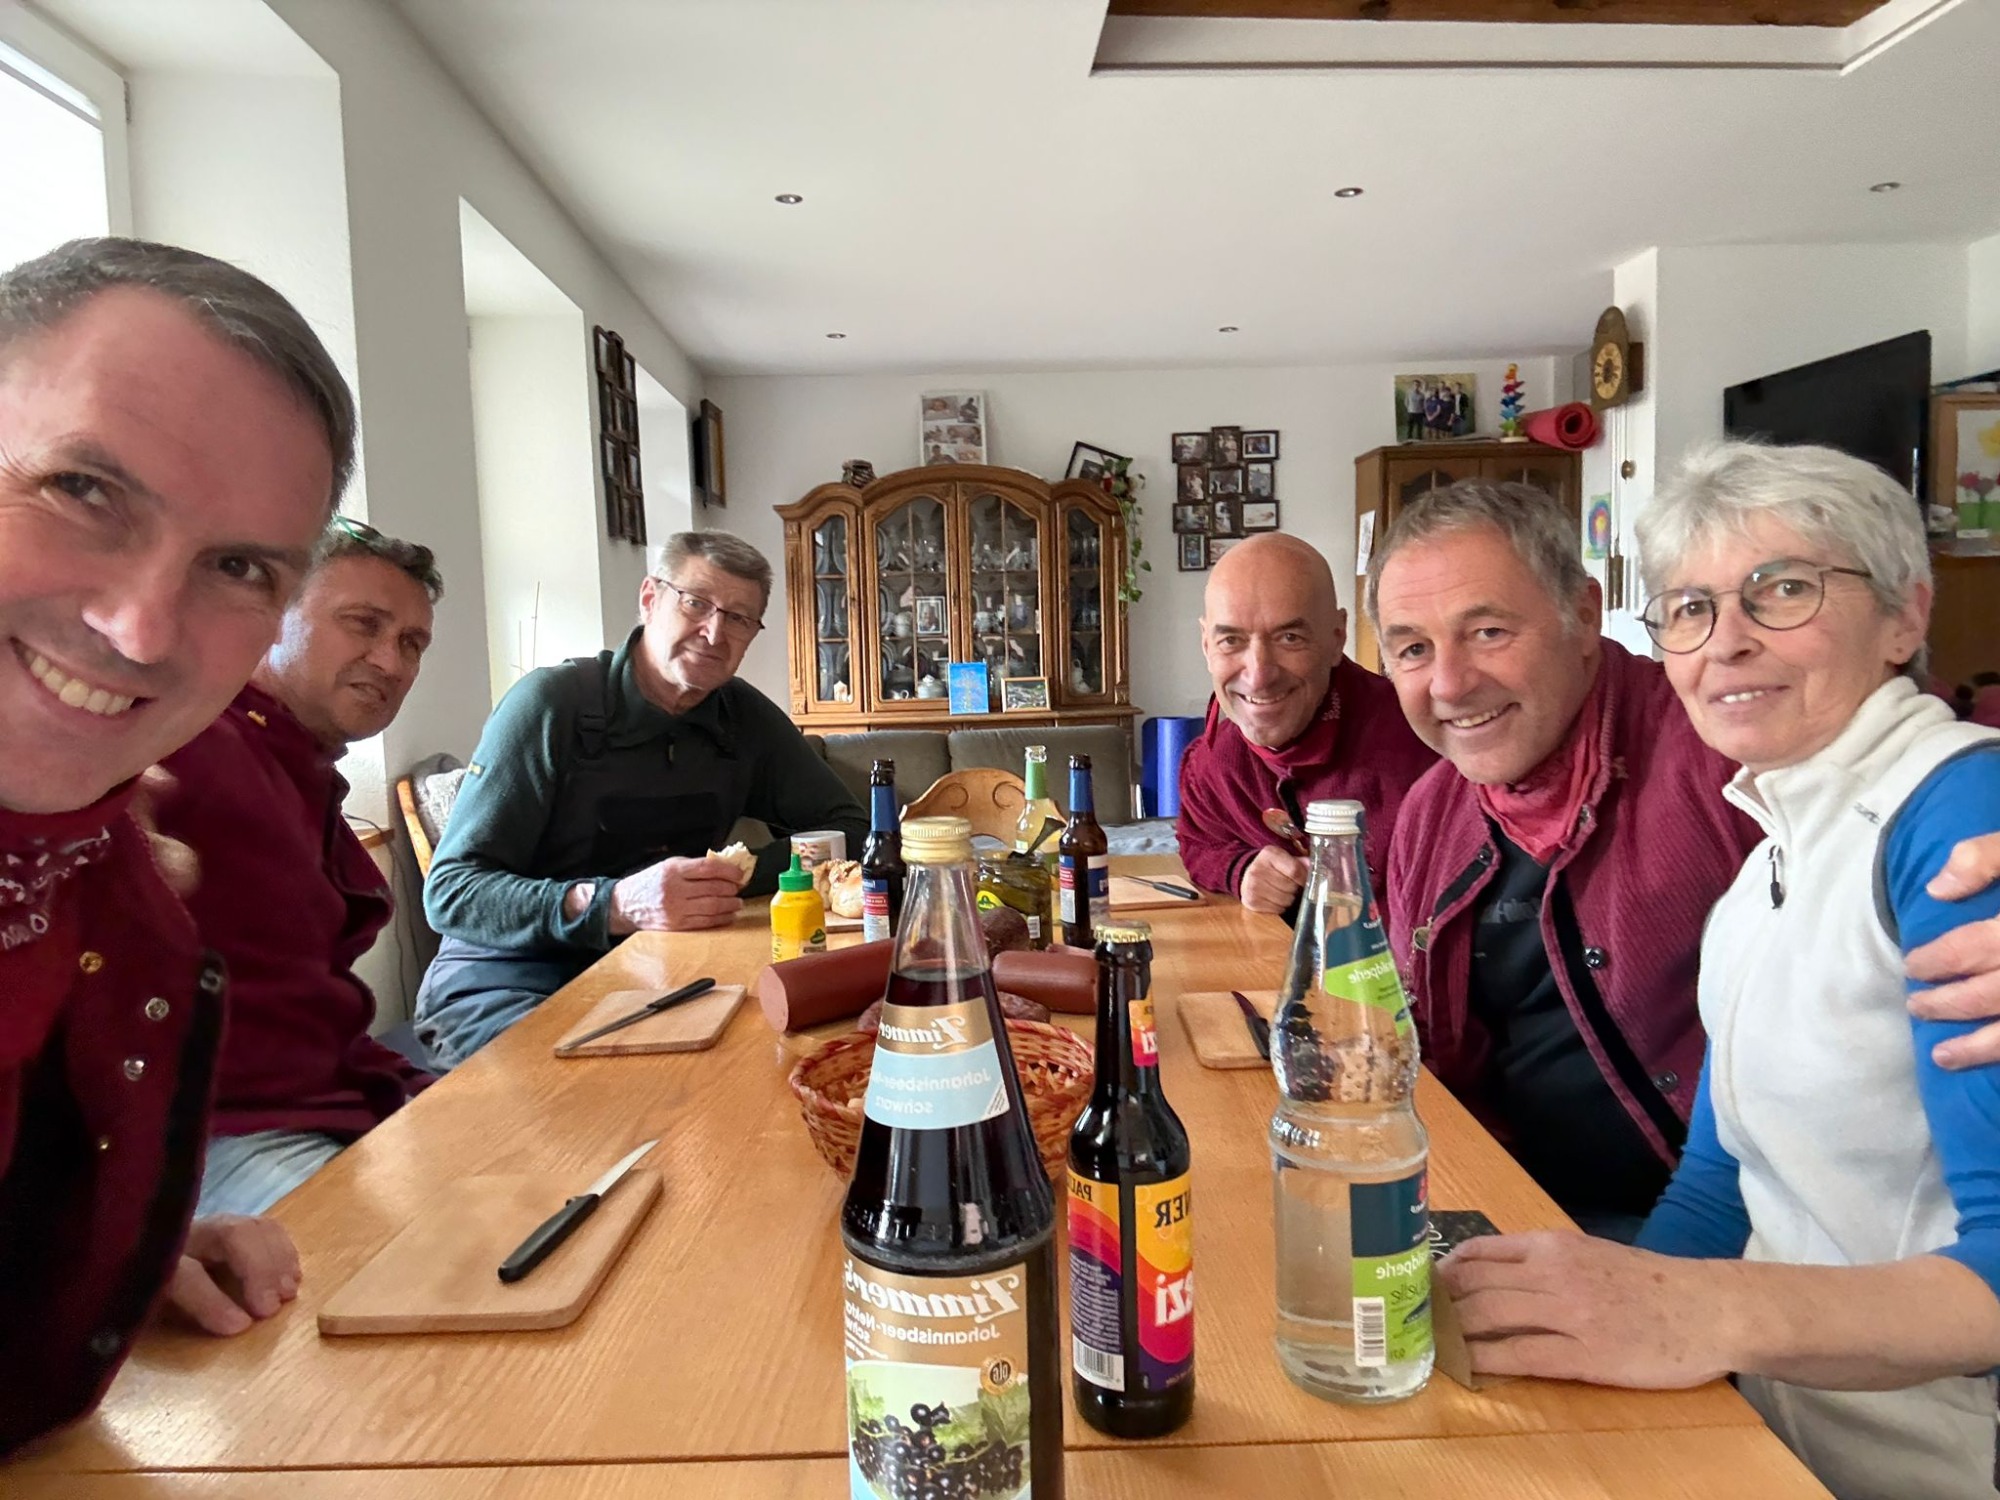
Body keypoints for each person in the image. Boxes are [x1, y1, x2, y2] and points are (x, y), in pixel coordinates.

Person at [1438, 442, 2000, 1500]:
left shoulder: (1956, 824)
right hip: (1775, 1425)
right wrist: (1616, 1311)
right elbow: (1720, 1179)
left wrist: (1701, 1313)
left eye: (1783, 590)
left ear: (1904, 616)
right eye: (1690, 608)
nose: (1726, 641)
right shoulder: (1763, 867)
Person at [0, 237, 350, 1454]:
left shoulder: (103, 877)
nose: (140, 629)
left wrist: (90, 1247)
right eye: (83, 489)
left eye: (237, 566)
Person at [1369, 480, 1760, 1240]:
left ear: (1583, 615)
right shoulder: (1431, 813)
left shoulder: (1716, 747)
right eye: (1413, 648)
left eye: (1487, 632)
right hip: (1512, 1210)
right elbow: (1412, 1043)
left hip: (1725, 1235)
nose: (1449, 684)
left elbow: (1911, 756)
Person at [415, 531, 868, 1063]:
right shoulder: (550, 705)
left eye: (739, 619)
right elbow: (452, 892)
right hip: (509, 977)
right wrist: (614, 904)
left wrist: (729, 878)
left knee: (784, 1060)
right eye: (696, 603)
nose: (714, 632)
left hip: (664, 968)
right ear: (650, 599)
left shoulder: (743, 718)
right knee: (563, 1094)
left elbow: (849, 828)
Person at [154, 517, 443, 1218]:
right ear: (273, 615)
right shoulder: (185, 742)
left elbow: (311, 1008)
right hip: (210, 1136)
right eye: (363, 624)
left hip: (331, 1099)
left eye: (411, 643)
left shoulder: (303, 768)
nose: (390, 662)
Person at [1176, 532, 1435, 919]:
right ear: (1206, 645)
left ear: (1336, 638)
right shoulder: (1213, 760)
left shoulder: (1423, 740)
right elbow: (1200, 843)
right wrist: (1241, 871)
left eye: (1289, 638)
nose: (1258, 676)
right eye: (1231, 640)